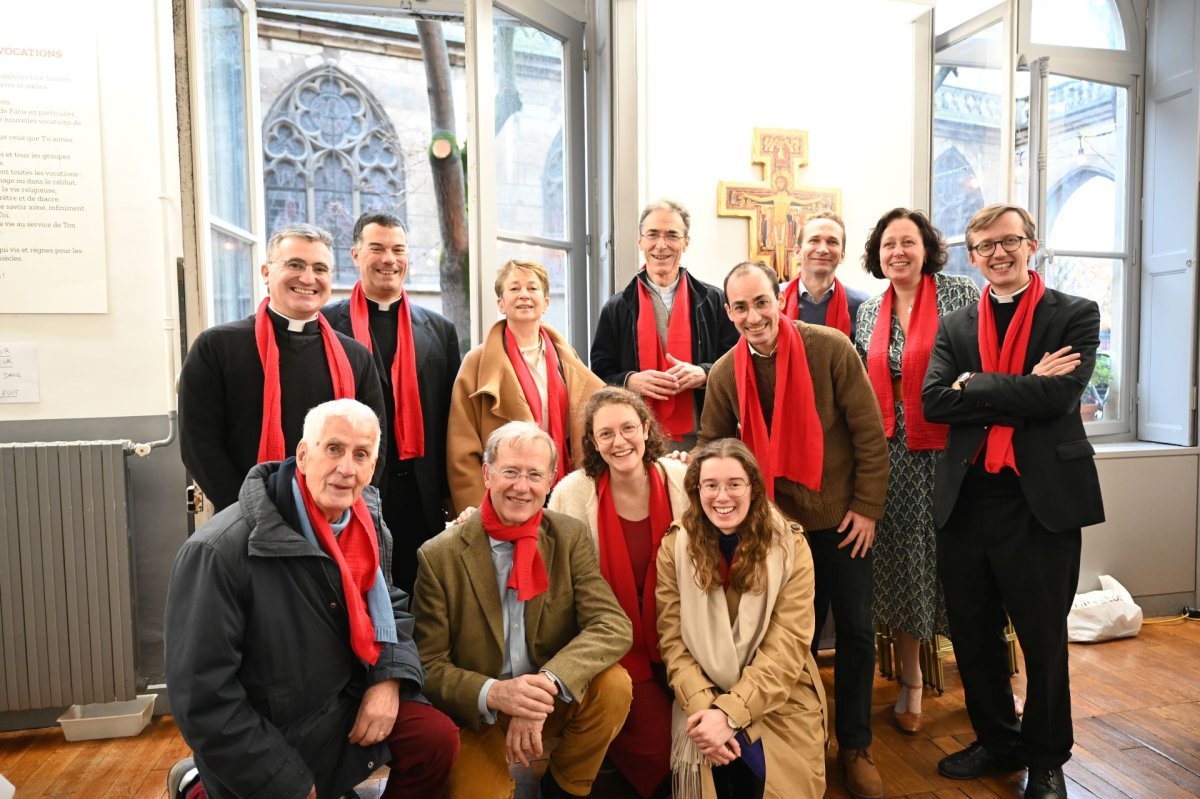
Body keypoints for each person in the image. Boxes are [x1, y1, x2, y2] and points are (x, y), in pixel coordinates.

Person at [164, 399, 459, 799]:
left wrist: (388, 679)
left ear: (374, 467)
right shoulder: (218, 551)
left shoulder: (367, 525)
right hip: (275, 729)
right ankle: (198, 785)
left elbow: (391, 606)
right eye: (333, 449)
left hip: (343, 703)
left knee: (434, 740)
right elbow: (203, 699)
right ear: (302, 455)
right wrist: (286, 783)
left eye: (361, 455)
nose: (346, 469)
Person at [923, 204, 1104, 799]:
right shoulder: (954, 327)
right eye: (984, 247)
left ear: (1032, 244)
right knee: (973, 635)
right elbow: (934, 404)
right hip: (967, 500)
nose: (997, 255)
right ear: (971, 257)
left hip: (1039, 503)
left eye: (1008, 243)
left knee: (1042, 639)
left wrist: (975, 385)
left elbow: (1059, 401)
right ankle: (996, 740)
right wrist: (1025, 386)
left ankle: (1047, 758)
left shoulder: (1074, 314)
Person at [698, 261, 888, 799]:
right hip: (774, 531)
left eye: (761, 302)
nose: (753, 315)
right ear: (729, 312)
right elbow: (713, 450)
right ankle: (797, 740)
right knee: (788, 640)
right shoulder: (723, 373)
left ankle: (854, 745)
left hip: (842, 522)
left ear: (776, 299)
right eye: (740, 307)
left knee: (854, 632)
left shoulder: (830, 347)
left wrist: (868, 507)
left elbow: (869, 436)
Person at [413, 421, 634, 799]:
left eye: (534, 474)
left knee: (614, 687)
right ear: (487, 473)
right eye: (511, 471)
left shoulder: (567, 536)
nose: (522, 486)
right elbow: (429, 665)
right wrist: (498, 694)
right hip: (479, 714)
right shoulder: (439, 555)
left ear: (550, 481)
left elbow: (612, 624)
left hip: (551, 699)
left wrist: (547, 683)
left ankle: (565, 787)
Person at [853, 208, 980, 735]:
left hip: (952, 449)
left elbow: (984, 361)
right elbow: (863, 385)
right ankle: (910, 685)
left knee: (965, 567)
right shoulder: (868, 312)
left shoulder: (959, 295)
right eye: (888, 245)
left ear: (926, 247)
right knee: (904, 566)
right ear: (877, 256)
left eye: (908, 241)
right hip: (894, 457)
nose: (898, 252)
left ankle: (981, 685)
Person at [655, 438, 826, 799]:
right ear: (696, 489)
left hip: (780, 693)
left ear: (753, 487)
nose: (722, 497)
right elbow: (673, 643)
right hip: (702, 688)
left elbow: (787, 648)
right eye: (711, 485)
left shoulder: (791, 545)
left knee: (775, 784)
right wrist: (707, 711)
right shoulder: (675, 547)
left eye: (734, 484)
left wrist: (729, 714)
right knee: (718, 777)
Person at [179, 223, 386, 511]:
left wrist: (340, 504)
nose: (308, 277)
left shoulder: (356, 357)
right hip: (246, 518)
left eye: (320, 268)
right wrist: (249, 510)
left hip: (334, 518)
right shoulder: (217, 347)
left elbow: (375, 441)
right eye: (295, 264)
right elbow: (199, 444)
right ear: (266, 272)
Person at [546, 387, 688, 798]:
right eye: (605, 433)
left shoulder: (682, 479)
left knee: (708, 743)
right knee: (664, 752)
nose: (619, 441)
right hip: (615, 651)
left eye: (628, 428)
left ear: (646, 428)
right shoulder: (571, 494)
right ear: (591, 440)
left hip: (682, 641)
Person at [323, 211, 461, 592]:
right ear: (355, 254)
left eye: (398, 249)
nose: (389, 259)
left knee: (422, 592)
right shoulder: (326, 325)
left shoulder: (440, 330)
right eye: (377, 248)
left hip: (421, 491)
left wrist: (449, 490)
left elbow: (452, 419)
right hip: (353, 485)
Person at [447, 259, 603, 514]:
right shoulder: (476, 362)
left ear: (546, 302)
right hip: (509, 491)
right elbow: (461, 450)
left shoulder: (567, 357)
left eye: (532, 288)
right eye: (514, 288)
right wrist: (477, 510)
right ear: (501, 303)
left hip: (562, 485)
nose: (524, 295)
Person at [590, 199, 739, 448]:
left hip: (705, 434)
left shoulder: (714, 300)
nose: (661, 245)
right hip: (637, 438)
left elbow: (737, 359)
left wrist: (704, 372)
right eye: (652, 235)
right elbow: (598, 372)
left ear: (685, 242)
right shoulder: (616, 307)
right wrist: (630, 381)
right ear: (640, 241)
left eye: (672, 235)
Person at [780, 211, 869, 339]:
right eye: (814, 240)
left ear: (842, 255)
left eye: (832, 242)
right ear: (797, 251)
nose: (822, 249)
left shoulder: (863, 306)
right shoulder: (773, 299)